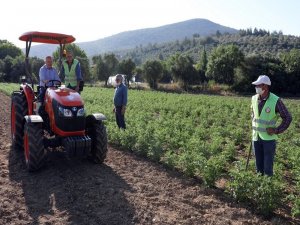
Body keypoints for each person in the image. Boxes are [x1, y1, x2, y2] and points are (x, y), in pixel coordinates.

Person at [251, 75, 292, 176]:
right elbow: (254, 116)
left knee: (268, 168)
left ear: (265, 86)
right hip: (256, 137)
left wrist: (276, 130)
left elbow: (287, 117)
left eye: (258, 85)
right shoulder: (254, 98)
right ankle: (260, 187)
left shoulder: (276, 100)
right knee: (258, 166)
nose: (256, 87)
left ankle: (268, 188)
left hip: (268, 140)